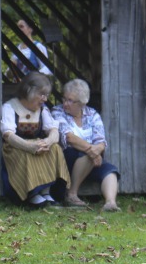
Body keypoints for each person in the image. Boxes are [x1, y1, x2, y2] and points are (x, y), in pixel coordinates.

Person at [0, 72, 69, 207]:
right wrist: (29, 147)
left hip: (36, 145)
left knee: (55, 148)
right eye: (41, 94)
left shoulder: (42, 110)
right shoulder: (10, 107)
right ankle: (32, 193)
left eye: (46, 95)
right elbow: (8, 135)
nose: (44, 99)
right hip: (16, 147)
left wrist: (48, 142)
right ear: (28, 91)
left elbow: (54, 131)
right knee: (27, 153)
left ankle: (46, 192)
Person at [51, 79, 120, 212]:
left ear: (82, 103)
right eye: (64, 99)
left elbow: (101, 141)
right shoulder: (57, 111)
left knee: (110, 171)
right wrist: (92, 151)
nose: (65, 103)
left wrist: (96, 151)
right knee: (85, 155)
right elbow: (69, 137)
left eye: (71, 101)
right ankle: (71, 194)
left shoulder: (92, 114)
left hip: (91, 159)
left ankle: (110, 203)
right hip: (66, 160)